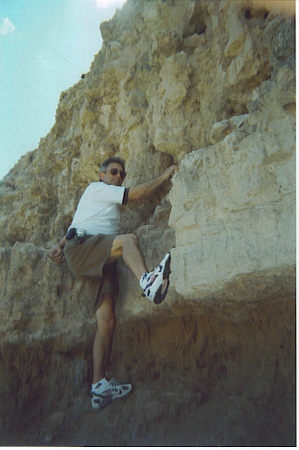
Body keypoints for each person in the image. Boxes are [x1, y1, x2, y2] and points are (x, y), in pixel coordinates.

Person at [49, 157, 177, 409]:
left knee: (106, 321)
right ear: (101, 175)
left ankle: (99, 386)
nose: (119, 177)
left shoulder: (98, 203)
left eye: (122, 174)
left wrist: (60, 245)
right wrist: (164, 176)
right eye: (114, 172)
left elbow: (75, 227)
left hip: (98, 257)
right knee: (128, 240)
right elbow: (134, 195)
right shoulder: (97, 189)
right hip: (87, 249)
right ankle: (148, 281)